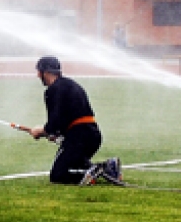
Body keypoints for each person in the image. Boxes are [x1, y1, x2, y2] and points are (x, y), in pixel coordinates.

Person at [29, 56, 123, 185]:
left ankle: (91, 172)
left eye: (39, 72)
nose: (38, 76)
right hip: (93, 135)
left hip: (79, 137)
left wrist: (42, 131)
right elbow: (67, 118)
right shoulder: (70, 84)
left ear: (45, 72)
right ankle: (108, 167)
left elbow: (55, 122)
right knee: (72, 163)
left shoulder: (52, 90)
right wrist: (56, 134)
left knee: (58, 175)